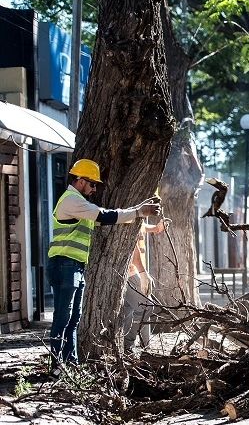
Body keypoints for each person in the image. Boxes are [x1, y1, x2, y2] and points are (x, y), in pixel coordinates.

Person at [48, 158, 161, 373]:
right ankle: (56, 365)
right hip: (65, 266)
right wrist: (138, 212)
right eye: (92, 184)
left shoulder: (80, 205)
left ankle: (71, 364)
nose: (94, 188)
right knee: (63, 316)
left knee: (73, 318)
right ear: (80, 181)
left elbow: (106, 217)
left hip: (75, 267)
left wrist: (138, 210)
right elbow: (104, 215)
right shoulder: (72, 200)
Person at [123, 218, 166, 353]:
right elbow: (134, 253)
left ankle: (145, 347)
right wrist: (143, 273)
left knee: (130, 310)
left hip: (134, 272)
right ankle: (128, 344)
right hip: (131, 272)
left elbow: (143, 226)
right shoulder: (129, 216)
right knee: (146, 306)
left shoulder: (138, 218)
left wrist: (156, 228)